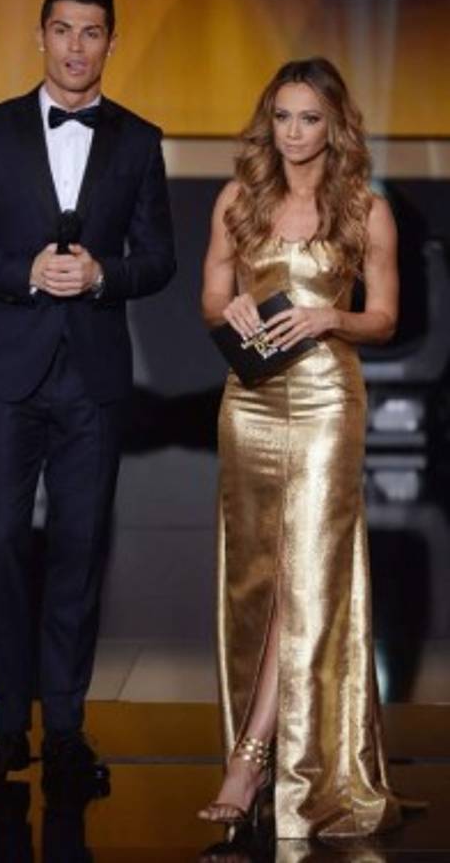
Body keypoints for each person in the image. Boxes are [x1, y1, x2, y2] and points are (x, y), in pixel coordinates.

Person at [0, 0, 175, 788]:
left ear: (110, 42)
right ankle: (5, 727)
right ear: (40, 37)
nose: (75, 46)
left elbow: (160, 259)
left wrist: (105, 275)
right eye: (62, 30)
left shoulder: (139, 140)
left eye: (92, 32)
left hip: (92, 379)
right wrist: (19, 272)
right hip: (6, 373)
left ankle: (64, 727)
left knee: (79, 548)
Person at [198, 57, 402, 839]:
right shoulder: (238, 202)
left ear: (334, 126)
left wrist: (330, 319)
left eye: (309, 118)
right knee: (255, 573)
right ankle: (265, 743)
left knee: (306, 577)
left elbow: (383, 316)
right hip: (247, 404)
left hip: (326, 403)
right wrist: (234, 307)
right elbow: (210, 301)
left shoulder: (364, 210)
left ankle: (251, 762)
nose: (293, 132)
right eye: (282, 116)